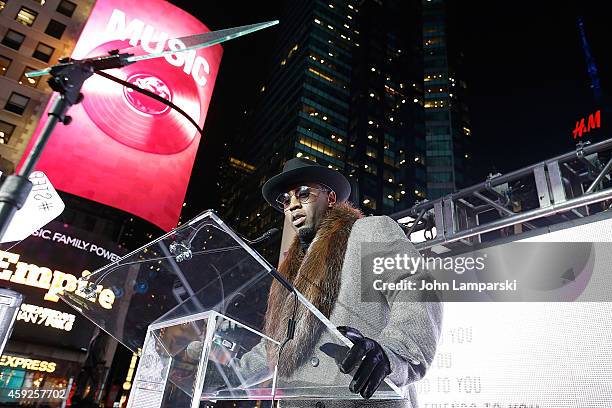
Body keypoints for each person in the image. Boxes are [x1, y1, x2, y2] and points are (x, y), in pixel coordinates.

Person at [233, 158, 442, 407]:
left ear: (330, 198)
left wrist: (391, 353)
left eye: (303, 194)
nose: (293, 206)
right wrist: (230, 374)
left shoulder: (368, 231)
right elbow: (277, 344)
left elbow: (415, 286)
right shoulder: (290, 270)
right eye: (286, 200)